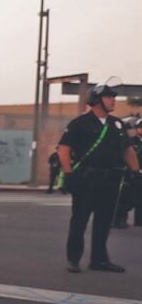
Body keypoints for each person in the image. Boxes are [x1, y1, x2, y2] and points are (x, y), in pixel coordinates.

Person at [57, 79, 139, 273]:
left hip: (110, 180)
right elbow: (63, 149)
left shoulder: (117, 124)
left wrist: (135, 171)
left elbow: (127, 150)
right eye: (109, 97)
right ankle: (73, 259)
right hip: (86, 179)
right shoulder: (79, 123)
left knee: (103, 221)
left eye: (113, 97)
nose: (113, 100)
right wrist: (69, 174)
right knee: (80, 221)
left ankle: (99, 260)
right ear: (96, 100)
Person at [113, 118, 138, 228]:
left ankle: (126, 218)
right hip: (123, 171)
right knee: (120, 198)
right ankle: (117, 219)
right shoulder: (131, 141)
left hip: (134, 172)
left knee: (131, 198)